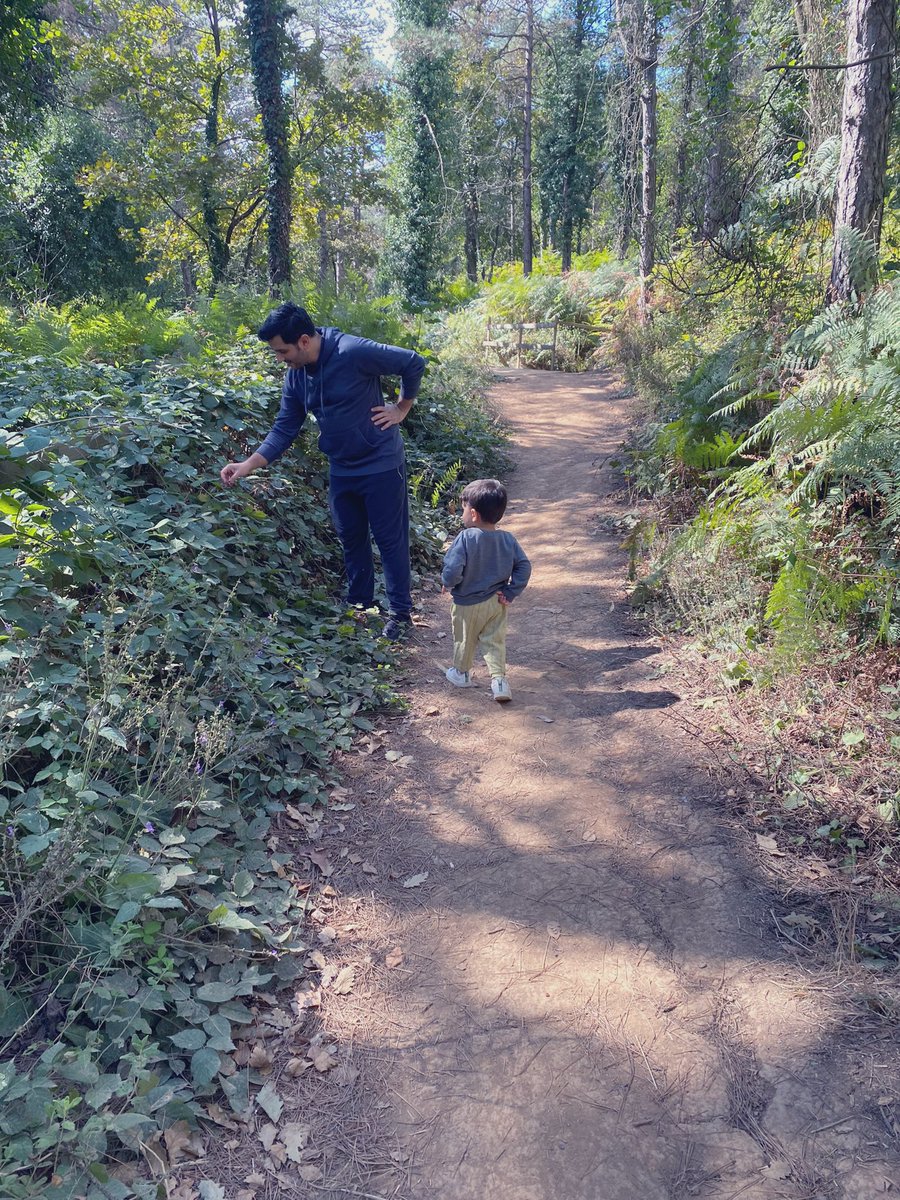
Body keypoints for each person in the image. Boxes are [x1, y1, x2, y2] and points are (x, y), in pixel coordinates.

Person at [220, 303, 426, 639]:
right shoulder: (297, 377)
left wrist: (402, 407)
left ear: (303, 341)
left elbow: (412, 362)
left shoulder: (353, 351)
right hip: (342, 470)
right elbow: (284, 428)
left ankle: (400, 615)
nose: (279, 359)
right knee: (351, 538)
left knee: (390, 541)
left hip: (381, 464)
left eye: (282, 351)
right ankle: (361, 607)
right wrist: (247, 465)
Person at [440, 478, 532, 703]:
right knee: (494, 641)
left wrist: (447, 581)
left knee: (465, 638)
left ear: (473, 514)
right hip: (496, 602)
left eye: (464, 509)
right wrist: (511, 592)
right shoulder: (507, 539)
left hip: (467, 604)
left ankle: (461, 673)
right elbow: (524, 566)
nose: (462, 514)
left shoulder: (465, 538)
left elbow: (453, 568)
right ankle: (499, 681)